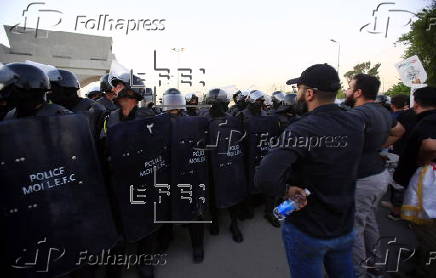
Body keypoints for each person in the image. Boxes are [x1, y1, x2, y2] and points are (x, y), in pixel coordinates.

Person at [255, 63, 365, 278]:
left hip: (308, 231)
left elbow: (264, 178)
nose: (297, 94)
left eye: (299, 89)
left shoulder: (301, 129)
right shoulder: (356, 122)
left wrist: (287, 190)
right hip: (344, 226)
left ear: (309, 93)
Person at [345, 73, 403, 277]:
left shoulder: (356, 114)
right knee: (368, 221)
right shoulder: (382, 111)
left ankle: (359, 273)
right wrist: (376, 147)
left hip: (363, 179)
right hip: (378, 175)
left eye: (350, 87)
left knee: (354, 229)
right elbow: (399, 131)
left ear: (358, 92)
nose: (347, 91)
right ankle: (375, 267)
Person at [393, 87, 436, 278]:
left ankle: (425, 270)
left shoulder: (429, 120)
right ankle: (422, 259)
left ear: (416, 103)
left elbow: (430, 145)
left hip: (428, 181)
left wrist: (423, 160)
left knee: (427, 228)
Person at [200, 88, 245, 242]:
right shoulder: (204, 121)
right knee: (213, 195)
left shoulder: (233, 120)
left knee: (232, 194)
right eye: (221, 104)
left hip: (230, 164)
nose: (225, 106)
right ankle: (215, 222)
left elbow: (239, 142)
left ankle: (234, 224)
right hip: (211, 165)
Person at [48, 69, 106, 139]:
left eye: (53, 88)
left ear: (67, 88)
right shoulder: (49, 109)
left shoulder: (93, 109)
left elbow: (101, 139)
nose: (49, 92)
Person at [1, 63, 71, 120]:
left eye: (9, 89)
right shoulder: (8, 116)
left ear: (28, 91)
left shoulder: (61, 116)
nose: (3, 94)